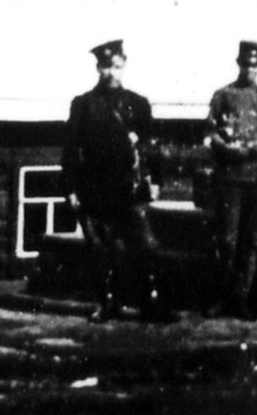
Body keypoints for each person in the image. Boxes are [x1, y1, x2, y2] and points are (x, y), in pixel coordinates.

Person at [63, 39, 174, 323]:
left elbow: (153, 146)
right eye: (106, 67)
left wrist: (157, 180)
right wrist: (72, 189)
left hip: (129, 187)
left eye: (117, 67)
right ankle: (107, 303)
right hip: (94, 188)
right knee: (100, 249)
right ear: (98, 68)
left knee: (145, 246)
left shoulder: (137, 104)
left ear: (124, 66)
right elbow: (71, 150)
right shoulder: (83, 105)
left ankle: (150, 303)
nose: (111, 73)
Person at [205, 39, 257, 317]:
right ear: (238, 64)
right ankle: (223, 297)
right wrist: (225, 147)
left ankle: (240, 299)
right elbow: (211, 131)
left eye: (255, 66)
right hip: (229, 177)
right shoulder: (223, 95)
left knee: (251, 240)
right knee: (226, 240)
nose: (249, 70)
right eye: (245, 64)